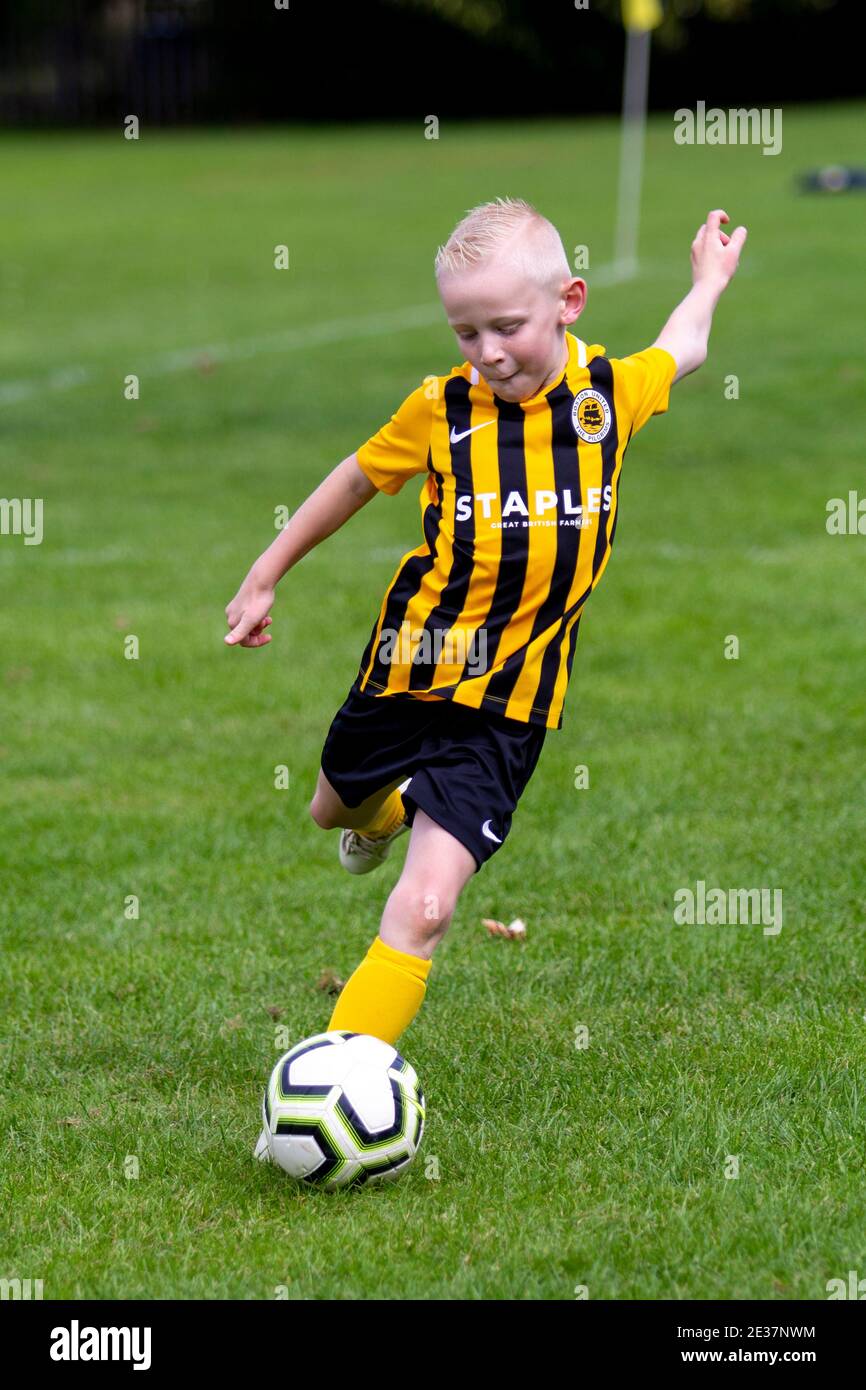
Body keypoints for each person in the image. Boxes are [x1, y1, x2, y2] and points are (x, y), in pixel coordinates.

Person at [225, 196, 747, 1049]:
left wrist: (710, 279)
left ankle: (347, 1081)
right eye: (466, 334)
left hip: (510, 708)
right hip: (411, 663)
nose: (489, 353)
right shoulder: (441, 409)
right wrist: (265, 571)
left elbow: (684, 344)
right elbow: (357, 478)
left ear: (569, 301)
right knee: (331, 810)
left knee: (425, 908)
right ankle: (385, 813)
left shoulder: (609, 395)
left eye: (507, 326)